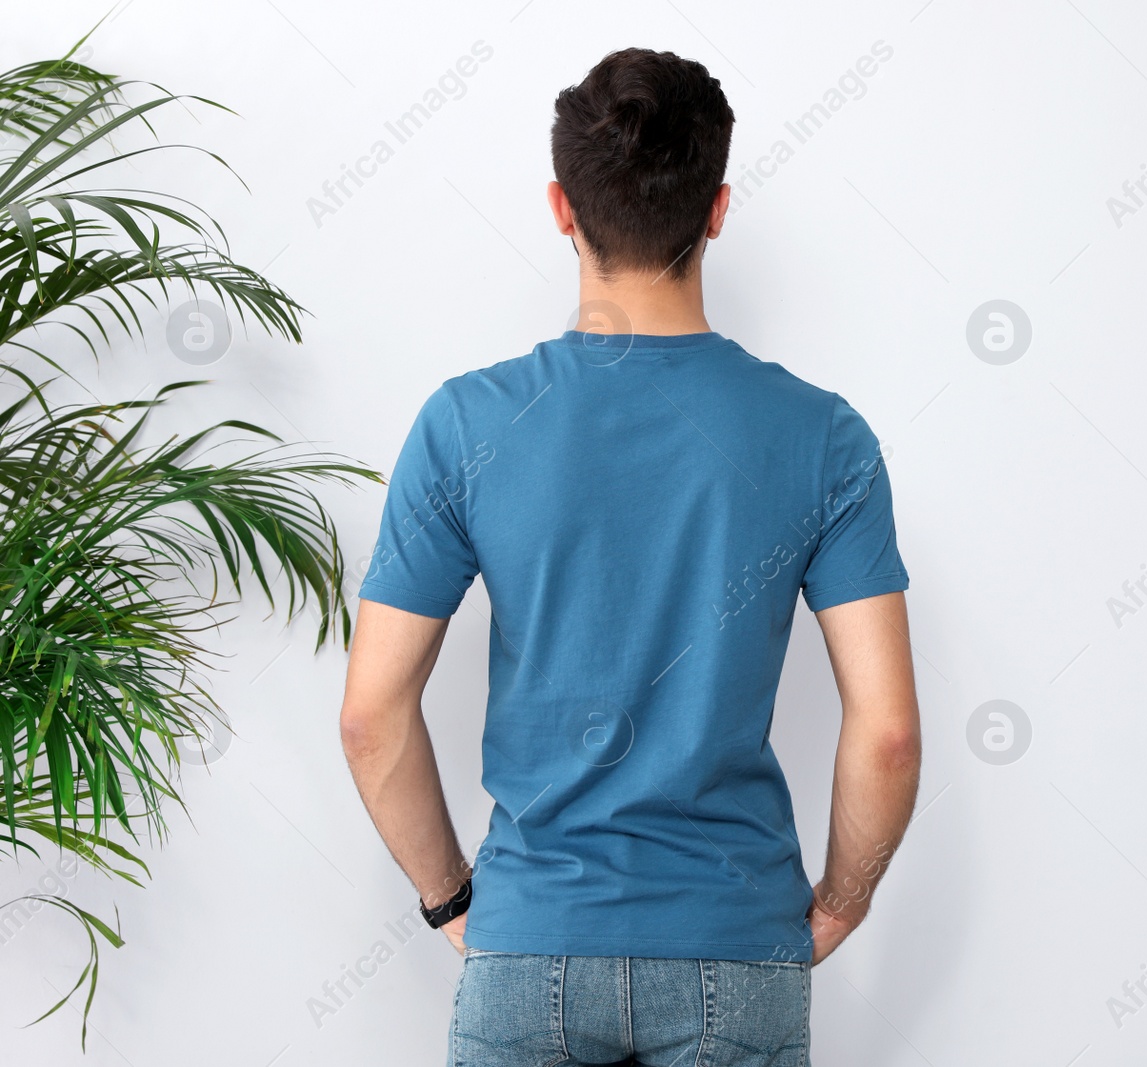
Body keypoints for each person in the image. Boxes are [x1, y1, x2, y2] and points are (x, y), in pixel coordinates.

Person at [339, 47, 921, 1067]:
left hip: (532, 935)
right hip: (736, 943)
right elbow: (888, 736)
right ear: (719, 208)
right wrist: (841, 900)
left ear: (562, 209)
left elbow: (369, 713)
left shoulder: (466, 422)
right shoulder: (822, 435)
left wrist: (452, 898)